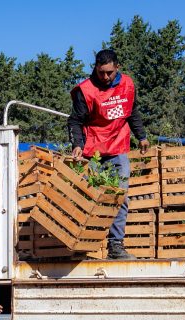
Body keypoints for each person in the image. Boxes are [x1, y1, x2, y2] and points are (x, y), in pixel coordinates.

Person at [67, 49, 149, 260]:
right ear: (95, 68)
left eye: (109, 72)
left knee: (119, 196)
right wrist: (77, 144)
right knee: (90, 197)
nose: (105, 77)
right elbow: (75, 121)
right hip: (92, 150)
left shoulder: (128, 85)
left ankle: (116, 247)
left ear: (117, 68)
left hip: (118, 147)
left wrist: (141, 136)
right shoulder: (85, 90)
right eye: (101, 72)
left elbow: (132, 112)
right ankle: (82, 248)